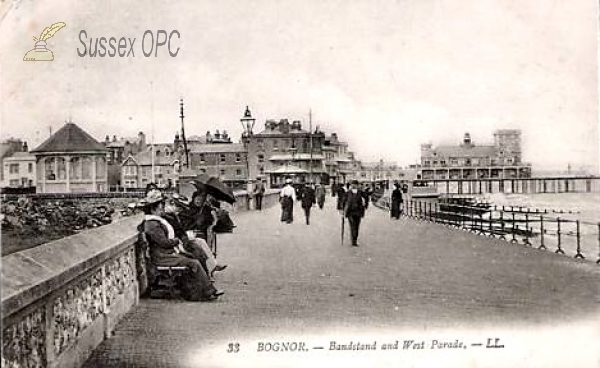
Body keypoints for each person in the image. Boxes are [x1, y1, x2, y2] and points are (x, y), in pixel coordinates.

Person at [139, 189, 223, 301]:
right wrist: (176, 241)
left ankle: (201, 290)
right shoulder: (152, 224)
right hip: (162, 257)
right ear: (154, 208)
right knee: (194, 263)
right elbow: (163, 243)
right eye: (161, 205)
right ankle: (207, 291)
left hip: (165, 254)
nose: (162, 207)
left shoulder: (154, 221)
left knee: (194, 257)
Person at [163, 193, 227, 278]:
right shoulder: (173, 216)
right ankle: (207, 271)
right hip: (180, 240)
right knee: (197, 244)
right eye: (197, 199)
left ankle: (212, 265)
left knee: (201, 241)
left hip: (192, 234)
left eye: (201, 199)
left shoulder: (205, 210)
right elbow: (181, 228)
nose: (198, 201)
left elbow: (209, 222)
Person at [344, 180, 366, 246]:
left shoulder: (360, 192)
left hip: (358, 212)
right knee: (352, 226)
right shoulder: (348, 193)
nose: (353, 186)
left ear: (357, 185)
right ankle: (353, 241)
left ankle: (355, 239)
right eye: (352, 184)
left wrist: (364, 205)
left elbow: (366, 198)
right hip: (350, 212)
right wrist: (342, 210)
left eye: (355, 184)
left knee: (357, 227)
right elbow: (343, 201)